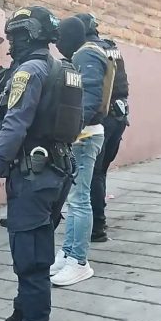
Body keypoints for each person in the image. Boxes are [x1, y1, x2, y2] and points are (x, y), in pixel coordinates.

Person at [0, 7, 82, 321]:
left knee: (32, 263)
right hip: (56, 171)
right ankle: (22, 317)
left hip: (34, 177)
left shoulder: (29, 71)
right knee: (33, 251)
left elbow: (14, 126)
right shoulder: (65, 68)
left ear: (26, 35)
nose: (10, 44)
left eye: (14, 37)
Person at [50, 16, 110, 287]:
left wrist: (71, 131)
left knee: (79, 199)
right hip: (82, 135)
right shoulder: (84, 53)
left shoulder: (87, 54)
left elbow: (90, 97)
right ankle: (68, 253)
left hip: (85, 137)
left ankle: (79, 262)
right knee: (74, 199)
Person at [75, 13, 130, 243]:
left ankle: (97, 226)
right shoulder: (111, 47)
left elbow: (92, 93)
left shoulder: (89, 51)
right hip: (120, 116)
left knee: (94, 175)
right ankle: (98, 219)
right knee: (101, 173)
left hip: (103, 119)